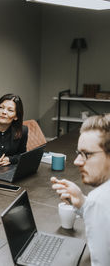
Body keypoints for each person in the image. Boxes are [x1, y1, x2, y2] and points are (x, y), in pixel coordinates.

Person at [51, 114, 110, 266]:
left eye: (87, 154)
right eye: (79, 153)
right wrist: (83, 204)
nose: (77, 161)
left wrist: (92, 204)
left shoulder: (100, 200)